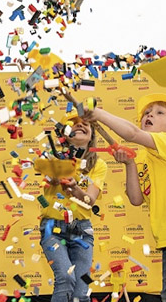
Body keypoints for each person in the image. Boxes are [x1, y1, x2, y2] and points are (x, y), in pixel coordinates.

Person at [84, 93, 166, 302]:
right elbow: (136, 199)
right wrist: (130, 164)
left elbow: (131, 133)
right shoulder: (146, 157)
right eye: (147, 112)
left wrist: (97, 113)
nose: (149, 115)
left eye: (159, 112)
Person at [39, 115, 107, 302]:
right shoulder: (54, 156)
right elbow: (50, 179)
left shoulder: (98, 165)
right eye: (74, 123)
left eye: (85, 124)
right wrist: (57, 175)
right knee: (66, 278)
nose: (80, 125)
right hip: (52, 229)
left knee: (81, 291)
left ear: (92, 135)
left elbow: (89, 200)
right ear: (65, 134)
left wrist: (75, 188)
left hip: (82, 231)